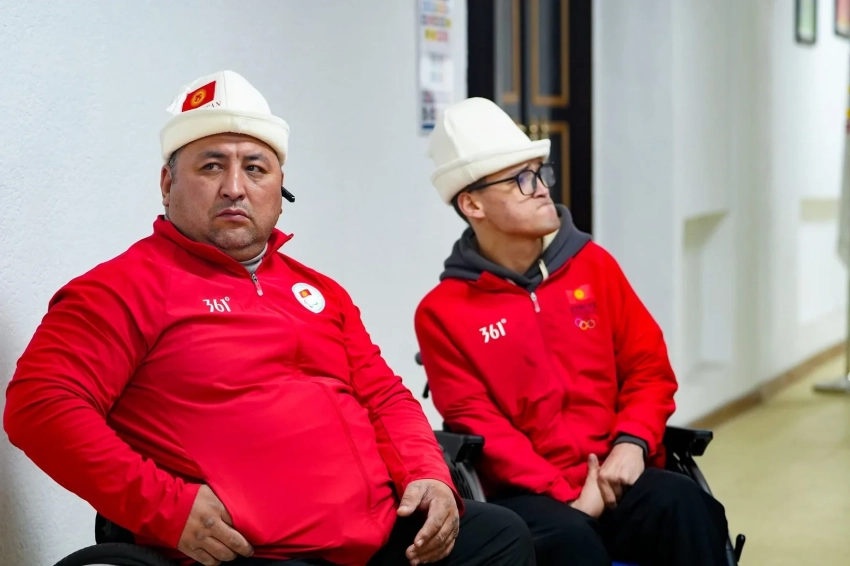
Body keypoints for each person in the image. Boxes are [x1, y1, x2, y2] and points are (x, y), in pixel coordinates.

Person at [3, 73, 535, 566]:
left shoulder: (321, 291)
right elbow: (40, 406)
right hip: (256, 553)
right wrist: (168, 507)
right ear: (167, 184)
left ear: (280, 190)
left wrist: (428, 474)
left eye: (255, 168)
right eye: (211, 166)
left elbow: (384, 397)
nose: (234, 187)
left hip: (379, 533)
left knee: (501, 535)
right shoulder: (121, 288)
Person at [414, 97, 730, 566]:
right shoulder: (442, 312)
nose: (541, 189)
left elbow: (648, 369)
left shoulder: (594, 267)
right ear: (472, 203)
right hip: (528, 494)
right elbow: (481, 425)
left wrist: (632, 444)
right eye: (520, 179)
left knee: (687, 506)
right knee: (569, 541)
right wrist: (568, 495)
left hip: (619, 468)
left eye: (540, 173)